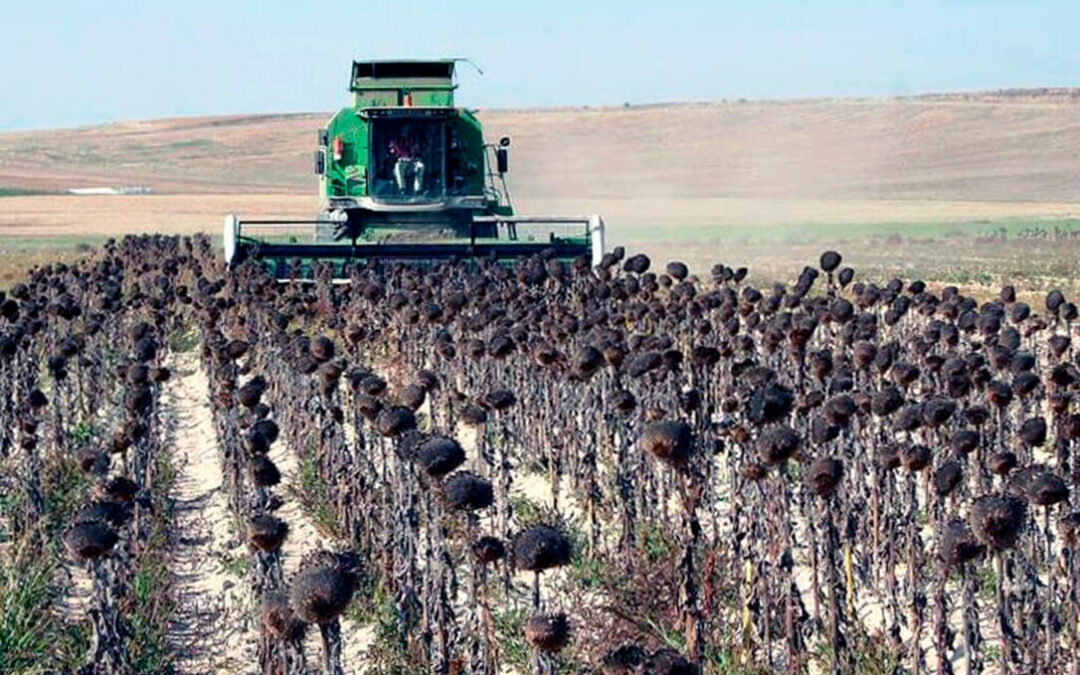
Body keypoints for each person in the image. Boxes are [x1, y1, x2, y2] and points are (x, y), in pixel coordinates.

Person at [388, 126, 424, 195]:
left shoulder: (414, 139)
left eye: (408, 129)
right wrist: (399, 158)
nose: (406, 131)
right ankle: (402, 189)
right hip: (401, 161)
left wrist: (416, 157)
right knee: (398, 166)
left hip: (413, 161)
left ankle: (417, 190)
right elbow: (391, 153)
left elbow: (419, 151)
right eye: (404, 129)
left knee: (421, 166)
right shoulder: (395, 141)